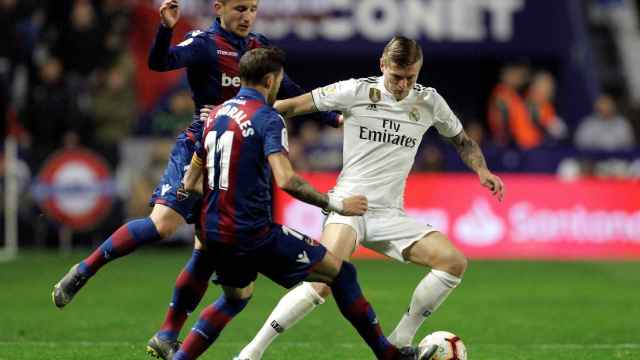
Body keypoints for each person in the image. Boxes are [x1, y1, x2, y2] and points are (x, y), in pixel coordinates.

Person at [51, 1, 340, 358]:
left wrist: (331, 117)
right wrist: (165, 29)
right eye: (239, 8)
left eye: (252, 8)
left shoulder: (258, 47)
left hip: (238, 162)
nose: (246, 16)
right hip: (201, 147)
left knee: (208, 252)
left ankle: (167, 334)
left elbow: (289, 88)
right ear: (218, 7)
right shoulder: (204, 43)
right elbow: (160, 63)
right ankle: (84, 270)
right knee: (162, 225)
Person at [234, 36, 504, 360]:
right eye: (396, 76)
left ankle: (399, 339)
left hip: (390, 213)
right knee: (323, 278)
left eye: (410, 78)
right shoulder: (356, 91)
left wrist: (482, 170)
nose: (402, 85)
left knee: (453, 262)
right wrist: (241, 118)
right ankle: (250, 353)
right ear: (382, 65)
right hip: (349, 205)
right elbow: (289, 106)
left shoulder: (429, 101)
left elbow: (463, 141)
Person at [171, 47, 435, 360]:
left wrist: (194, 205)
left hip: (212, 232)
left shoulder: (216, 113)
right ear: (270, 80)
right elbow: (286, 180)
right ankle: (388, 354)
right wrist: (335, 203)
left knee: (235, 298)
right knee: (341, 273)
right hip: (253, 233)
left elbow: (190, 179)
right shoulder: (268, 118)